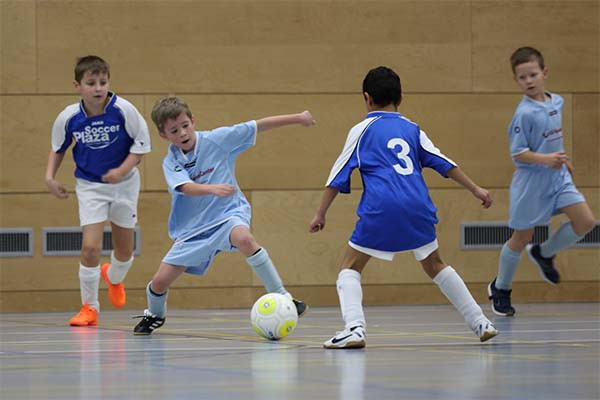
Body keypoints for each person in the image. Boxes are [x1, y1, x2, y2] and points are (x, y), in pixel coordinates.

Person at [309, 66, 498, 349]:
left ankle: (354, 328)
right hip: (418, 205)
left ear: (366, 97)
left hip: (382, 207)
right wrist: (476, 189)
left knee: (349, 265)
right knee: (435, 264)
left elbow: (337, 177)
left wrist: (320, 213)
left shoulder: (361, 130)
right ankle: (481, 322)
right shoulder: (412, 129)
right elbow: (444, 163)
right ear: (401, 98)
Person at [132, 96, 316, 335]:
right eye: (174, 130)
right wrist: (212, 189)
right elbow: (185, 187)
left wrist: (298, 118)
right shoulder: (171, 161)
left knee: (245, 239)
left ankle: (285, 298)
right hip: (193, 230)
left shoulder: (217, 140)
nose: (183, 133)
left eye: (185, 125)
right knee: (159, 282)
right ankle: (155, 315)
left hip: (228, 215)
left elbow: (258, 125)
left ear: (193, 121)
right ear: (164, 135)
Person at [487, 47, 596, 317]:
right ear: (516, 80)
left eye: (533, 75)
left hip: (557, 178)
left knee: (586, 222)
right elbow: (518, 152)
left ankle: (544, 253)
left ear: (544, 73)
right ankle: (501, 288)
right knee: (521, 236)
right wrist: (546, 159)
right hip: (531, 182)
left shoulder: (557, 101)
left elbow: (552, 137)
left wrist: (562, 158)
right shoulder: (524, 114)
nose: (529, 81)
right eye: (522, 78)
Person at [45, 55, 151, 326]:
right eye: (91, 83)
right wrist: (50, 177)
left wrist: (121, 171)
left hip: (125, 185)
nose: (98, 88)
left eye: (103, 82)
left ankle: (113, 277)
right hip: (90, 186)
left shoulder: (124, 110)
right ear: (77, 85)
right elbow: (58, 148)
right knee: (90, 248)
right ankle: (89, 308)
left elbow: (141, 147)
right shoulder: (69, 118)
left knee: (125, 251)